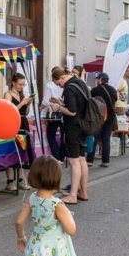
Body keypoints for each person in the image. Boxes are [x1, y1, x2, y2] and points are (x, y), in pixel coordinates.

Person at [49, 66, 89, 205]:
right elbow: (79, 105)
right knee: (82, 159)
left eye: (57, 82)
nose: (59, 85)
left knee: (73, 161)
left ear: (61, 77)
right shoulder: (80, 83)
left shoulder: (69, 87)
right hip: (84, 126)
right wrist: (60, 102)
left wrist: (58, 107)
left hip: (73, 128)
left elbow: (72, 111)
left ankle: (72, 195)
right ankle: (83, 192)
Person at [4, 74, 33, 190]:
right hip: (12, 124)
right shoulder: (8, 94)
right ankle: (10, 181)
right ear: (13, 83)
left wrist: (28, 104)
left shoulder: (22, 95)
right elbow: (7, 111)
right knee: (11, 151)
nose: (22, 86)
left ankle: (21, 180)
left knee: (22, 152)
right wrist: (22, 103)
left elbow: (25, 112)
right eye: (20, 84)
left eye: (23, 84)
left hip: (22, 123)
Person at [89, 73, 118, 168]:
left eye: (97, 79)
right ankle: (106, 161)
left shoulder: (95, 90)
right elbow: (115, 101)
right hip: (110, 116)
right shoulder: (113, 90)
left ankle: (89, 160)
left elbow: (91, 101)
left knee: (95, 138)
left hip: (99, 116)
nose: (97, 81)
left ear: (101, 79)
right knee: (106, 139)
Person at [40, 74, 65, 161]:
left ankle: (57, 157)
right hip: (64, 112)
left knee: (51, 135)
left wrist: (39, 109)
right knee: (64, 135)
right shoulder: (65, 84)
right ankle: (62, 156)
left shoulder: (50, 85)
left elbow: (46, 100)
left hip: (54, 113)